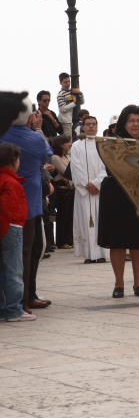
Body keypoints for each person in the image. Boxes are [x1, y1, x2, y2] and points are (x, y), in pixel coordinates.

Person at [0, 97, 53, 313]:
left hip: (6, 199)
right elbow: (47, 156)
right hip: (28, 203)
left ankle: (16, 299)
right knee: (28, 252)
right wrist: (38, 129)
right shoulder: (35, 138)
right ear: (29, 116)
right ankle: (24, 298)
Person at [98, 105, 139, 297]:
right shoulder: (113, 142)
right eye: (132, 120)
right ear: (124, 122)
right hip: (117, 194)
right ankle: (119, 284)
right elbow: (112, 167)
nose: (136, 124)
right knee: (118, 240)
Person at [0, 142, 36, 322]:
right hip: (11, 228)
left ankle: (2, 307)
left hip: (6, 227)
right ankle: (14, 309)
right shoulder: (11, 182)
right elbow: (6, 209)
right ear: (14, 160)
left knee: (2, 271)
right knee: (14, 270)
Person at [70, 116, 109, 263]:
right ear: (83, 127)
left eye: (94, 124)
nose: (91, 127)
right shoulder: (76, 146)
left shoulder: (104, 144)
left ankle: (102, 253)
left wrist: (97, 184)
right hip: (84, 191)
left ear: (97, 127)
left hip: (100, 190)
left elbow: (107, 166)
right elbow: (75, 166)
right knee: (85, 220)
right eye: (88, 124)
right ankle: (88, 254)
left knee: (101, 220)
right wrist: (87, 184)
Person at [51, 135, 74, 250]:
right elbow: (66, 172)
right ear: (61, 144)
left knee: (70, 216)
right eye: (67, 142)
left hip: (70, 188)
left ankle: (69, 239)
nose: (70, 144)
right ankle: (61, 241)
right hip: (62, 189)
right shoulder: (55, 157)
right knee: (62, 216)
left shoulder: (67, 157)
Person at [57, 72, 85, 141]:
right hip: (65, 120)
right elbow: (62, 109)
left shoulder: (72, 91)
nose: (68, 84)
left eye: (69, 81)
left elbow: (82, 102)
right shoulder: (60, 94)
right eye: (65, 82)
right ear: (61, 83)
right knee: (67, 139)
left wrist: (79, 93)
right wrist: (74, 103)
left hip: (71, 119)